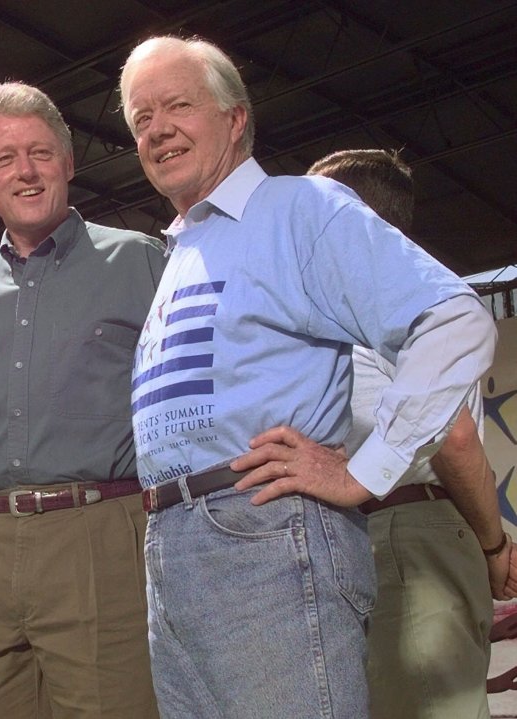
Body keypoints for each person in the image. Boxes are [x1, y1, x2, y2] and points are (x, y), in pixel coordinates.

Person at [119, 36, 497, 718]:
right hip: (178, 545)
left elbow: (453, 320)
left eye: (177, 105)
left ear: (235, 118)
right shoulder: (186, 245)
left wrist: (364, 469)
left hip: (260, 535)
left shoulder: (298, 208)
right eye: (140, 117)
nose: (157, 128)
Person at [0, 82, 166, 718]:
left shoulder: (139, 260)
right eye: (7, 158)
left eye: (41, 153)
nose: (27, 171)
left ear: (68, 164)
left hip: (100, 532)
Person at [308, 148, 517, 718]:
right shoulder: (426, 299)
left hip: (403, 531)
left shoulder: (373, 308)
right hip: (425, 528)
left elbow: (451, 438)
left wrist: (494, 544)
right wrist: (490, 544)